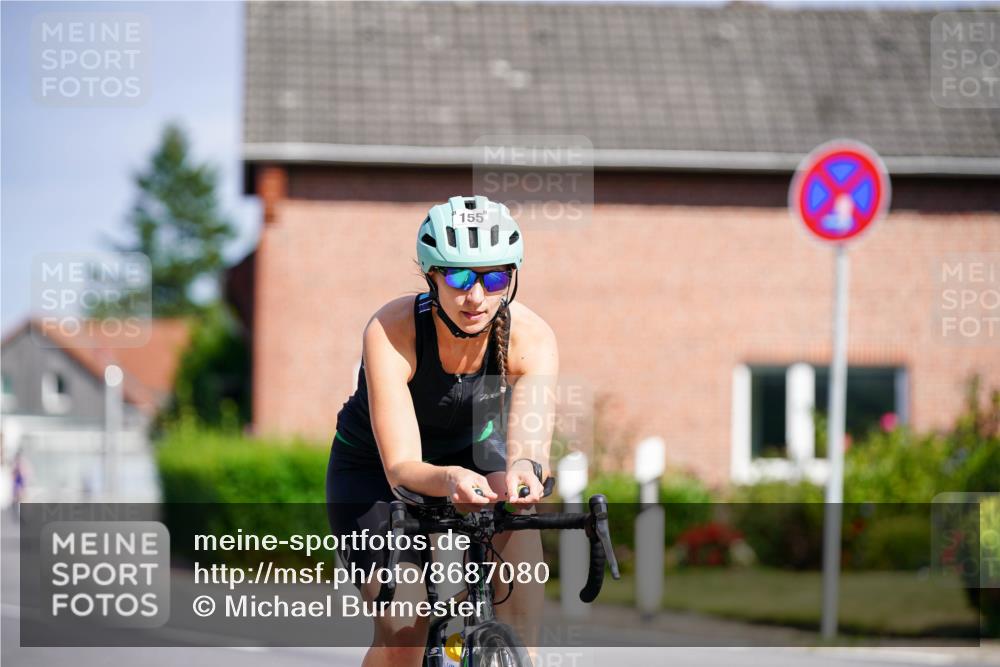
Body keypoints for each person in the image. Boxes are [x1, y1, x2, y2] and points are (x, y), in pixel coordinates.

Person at [326, 195, 558, 667]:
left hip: (474, 454)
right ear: (431, 276)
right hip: (377, 472)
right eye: (458, 277)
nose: (475, 297)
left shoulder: (532, 338)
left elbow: (529, 446)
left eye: (494, 278)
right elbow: (402, 466)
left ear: (511, 279)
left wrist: (524, 473)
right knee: (405, 630)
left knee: (524, 617)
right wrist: (449, 480)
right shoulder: (392, 329)